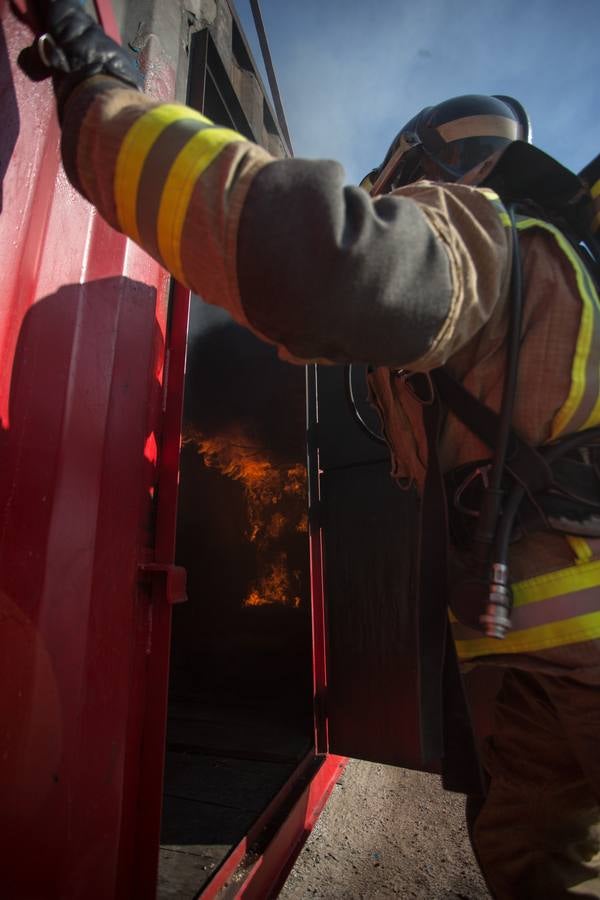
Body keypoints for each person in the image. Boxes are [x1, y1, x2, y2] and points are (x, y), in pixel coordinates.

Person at [17, 2, 600, 897]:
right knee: (540, 869)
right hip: (533, 688)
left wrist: (103, 103)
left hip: (561, 673)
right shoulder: (557, 297)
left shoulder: (489, 236)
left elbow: (315, 261)